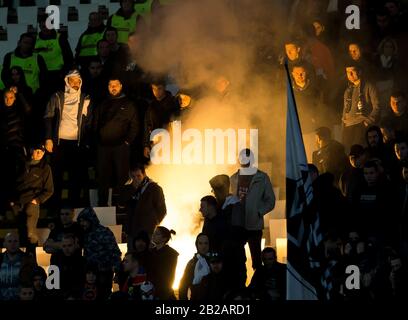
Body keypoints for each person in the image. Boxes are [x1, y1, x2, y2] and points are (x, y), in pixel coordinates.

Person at [44, 69, 91, 210]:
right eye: (72, 80)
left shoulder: (85, 98)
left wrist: (86, 141)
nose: (75, 83)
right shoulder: (57, 96)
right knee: (56, 176)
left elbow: (88, 122)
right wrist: (48, 138)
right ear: (67, 81)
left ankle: (74, 208)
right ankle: (54, 208)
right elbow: (47, 116)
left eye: (78, 81)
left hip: (76, 143)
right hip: (59, 142)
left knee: (75, 177)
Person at [93, 77, 140, 206]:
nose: (113, 87)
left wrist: (127, 142)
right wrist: (98, 140)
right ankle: (102, 203)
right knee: (103, 177)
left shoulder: (129, 104)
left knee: (122, 176)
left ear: (121, 86)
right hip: (103, 146)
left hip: (121, 146)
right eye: (110, 85)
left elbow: (135, 125)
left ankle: (122, 202)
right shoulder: (102, 103)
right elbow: (95, 123)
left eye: (116, 85)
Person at [230, 148, 275, 271]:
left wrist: (258, 212)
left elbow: (270, 200)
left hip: (254, 225)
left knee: (256, 260)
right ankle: (240, 286)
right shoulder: (233, 179)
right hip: (237, 225)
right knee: (237, 259)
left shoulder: (262, 178)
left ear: (252, 160)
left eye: (247, 157)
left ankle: (258, 286)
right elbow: (229, 199)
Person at [10, 144, 53, 246]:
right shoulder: (20, 164)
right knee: (20, 232)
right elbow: (11, 182)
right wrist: (11, 201)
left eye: (42, 152)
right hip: (17, 202)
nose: (39, 154)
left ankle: (31, 255)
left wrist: (37, 200)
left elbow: (49, 190)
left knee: (30, 232)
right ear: (31, 150)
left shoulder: (45, 168)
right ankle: (21, 257)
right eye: (37, 151)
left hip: (32, 201)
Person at [77, 207, 122, 300]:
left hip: (104, 272)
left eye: (84, 221)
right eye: (80, 221)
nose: (82, 224)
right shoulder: (84, 233)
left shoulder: (104, 232)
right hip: (90, 275)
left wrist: (118, 271)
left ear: (90, 220)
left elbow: (114, 252)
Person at [119, 163, 166, 249]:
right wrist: (133, 189)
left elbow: (162, 210)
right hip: (132, 231)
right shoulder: (128, 188)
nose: (136, 179)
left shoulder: (154, 188)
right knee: (132, 254)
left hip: (148, 231)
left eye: (138, 176)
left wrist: (153, 223)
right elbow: (121, 203)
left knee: (147, 256)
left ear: (144, 174)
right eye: (133, 176)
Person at [0, 88, 30, 216]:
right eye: (6, 97)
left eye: (11, 97)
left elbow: (28, 110)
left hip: (15, 148)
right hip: (2, 149)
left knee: (15, 177)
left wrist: (19, 93)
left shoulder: (19, 112)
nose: (8, 100)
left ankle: (14, 205)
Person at [342, 61, 381, 149]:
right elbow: (344, 110)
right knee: (347, 150)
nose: (350, 74)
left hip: (361, 123)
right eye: (348, 72)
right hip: (348, 125)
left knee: (359, 149)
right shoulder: (348, 90)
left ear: (359, 71)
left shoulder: (369, 86)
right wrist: (343, 124)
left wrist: (367, 122)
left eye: (352, 71)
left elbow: (377, 106)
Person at [34, 15, 74, 94]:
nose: (45, 28)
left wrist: (63, 73)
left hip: (57, 75)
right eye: (42, 26)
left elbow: (69, 57)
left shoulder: (60, 38)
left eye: (47, 25)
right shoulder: (35, 39)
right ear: (39, 26)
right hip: (40, 75)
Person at [143, 76, 180, 159]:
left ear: (164, 88)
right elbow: (147, 125)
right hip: (155, 143)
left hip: (171, 142)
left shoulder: (173, 103)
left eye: (159, 89)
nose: (156, 92)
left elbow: (177, 122)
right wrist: (146, 145)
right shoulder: (151, 106)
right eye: (154, 89)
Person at [0, 232, 36, 300]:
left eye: (15, 241)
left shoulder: (28, 259)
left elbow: (34, 281)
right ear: (4, 244)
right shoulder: (0, 259)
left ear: (19, 243)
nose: (13, 244)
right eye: (9, 241)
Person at [145, 226, 178, 300]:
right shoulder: (151, 252)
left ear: (164, 238)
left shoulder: (170, 254)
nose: (154, 235)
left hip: (163, 290)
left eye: (157, 234)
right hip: (150, 289)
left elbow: (168, 274)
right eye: (154, 233)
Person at [52, 234, 86, 300]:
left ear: (74, 245)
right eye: (64, 246)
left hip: (76, 295)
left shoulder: (81, 261)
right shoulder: (56, 260)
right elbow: (52, 282)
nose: (66, 249)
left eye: (69, 245)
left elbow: (81, 282)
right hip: (59, 295)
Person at [179, 233, 211, 300]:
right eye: (200, 243)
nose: (203, 246)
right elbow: (183, 285)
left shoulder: (214, 261)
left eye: (206, 243)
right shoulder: (191, 263)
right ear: (196, 245)